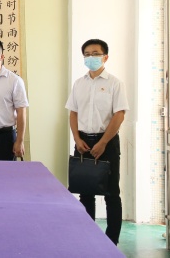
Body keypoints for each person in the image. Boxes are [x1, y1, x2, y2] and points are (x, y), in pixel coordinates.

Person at [65, 38, 128, 245]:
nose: (90, 57)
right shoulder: (79, 83)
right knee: (85, 192)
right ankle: (88, 238)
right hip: (83, 142)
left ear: (105, 57)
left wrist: (103, 143)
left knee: (111, 193)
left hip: (107, 142)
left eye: (95, 54)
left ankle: (111, 241)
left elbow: (119, 115)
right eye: (87, 54)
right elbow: (73, 113)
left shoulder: (114, 83)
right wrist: (77, 138)